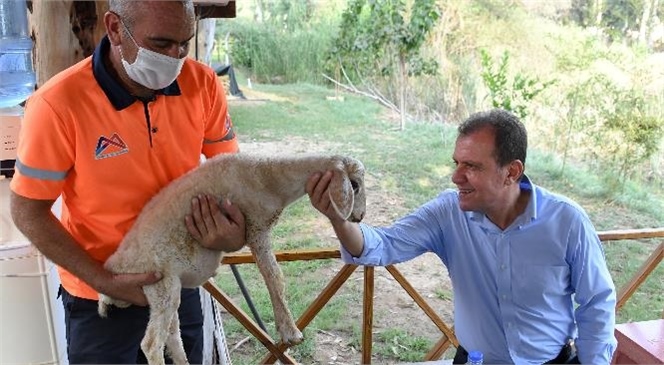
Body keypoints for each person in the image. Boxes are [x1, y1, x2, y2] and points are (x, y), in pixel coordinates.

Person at [9, 1, 246, 363]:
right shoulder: (58, 105)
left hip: (178, 286)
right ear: (116, 28)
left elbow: (231, 173)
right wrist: (105, 281)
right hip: (102, 300)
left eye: (185, 43)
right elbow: (28, 210)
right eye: (161, 43)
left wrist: (234, 229)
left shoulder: (201, 83)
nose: (175, 57)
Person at [306, 109, 617, 364]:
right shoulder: (448, 211)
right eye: (457, 163)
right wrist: (339, 219)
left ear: (511, 172)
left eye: (472, 166)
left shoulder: (567, 220)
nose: (456, 176)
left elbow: (597, 302)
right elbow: (384, 245)